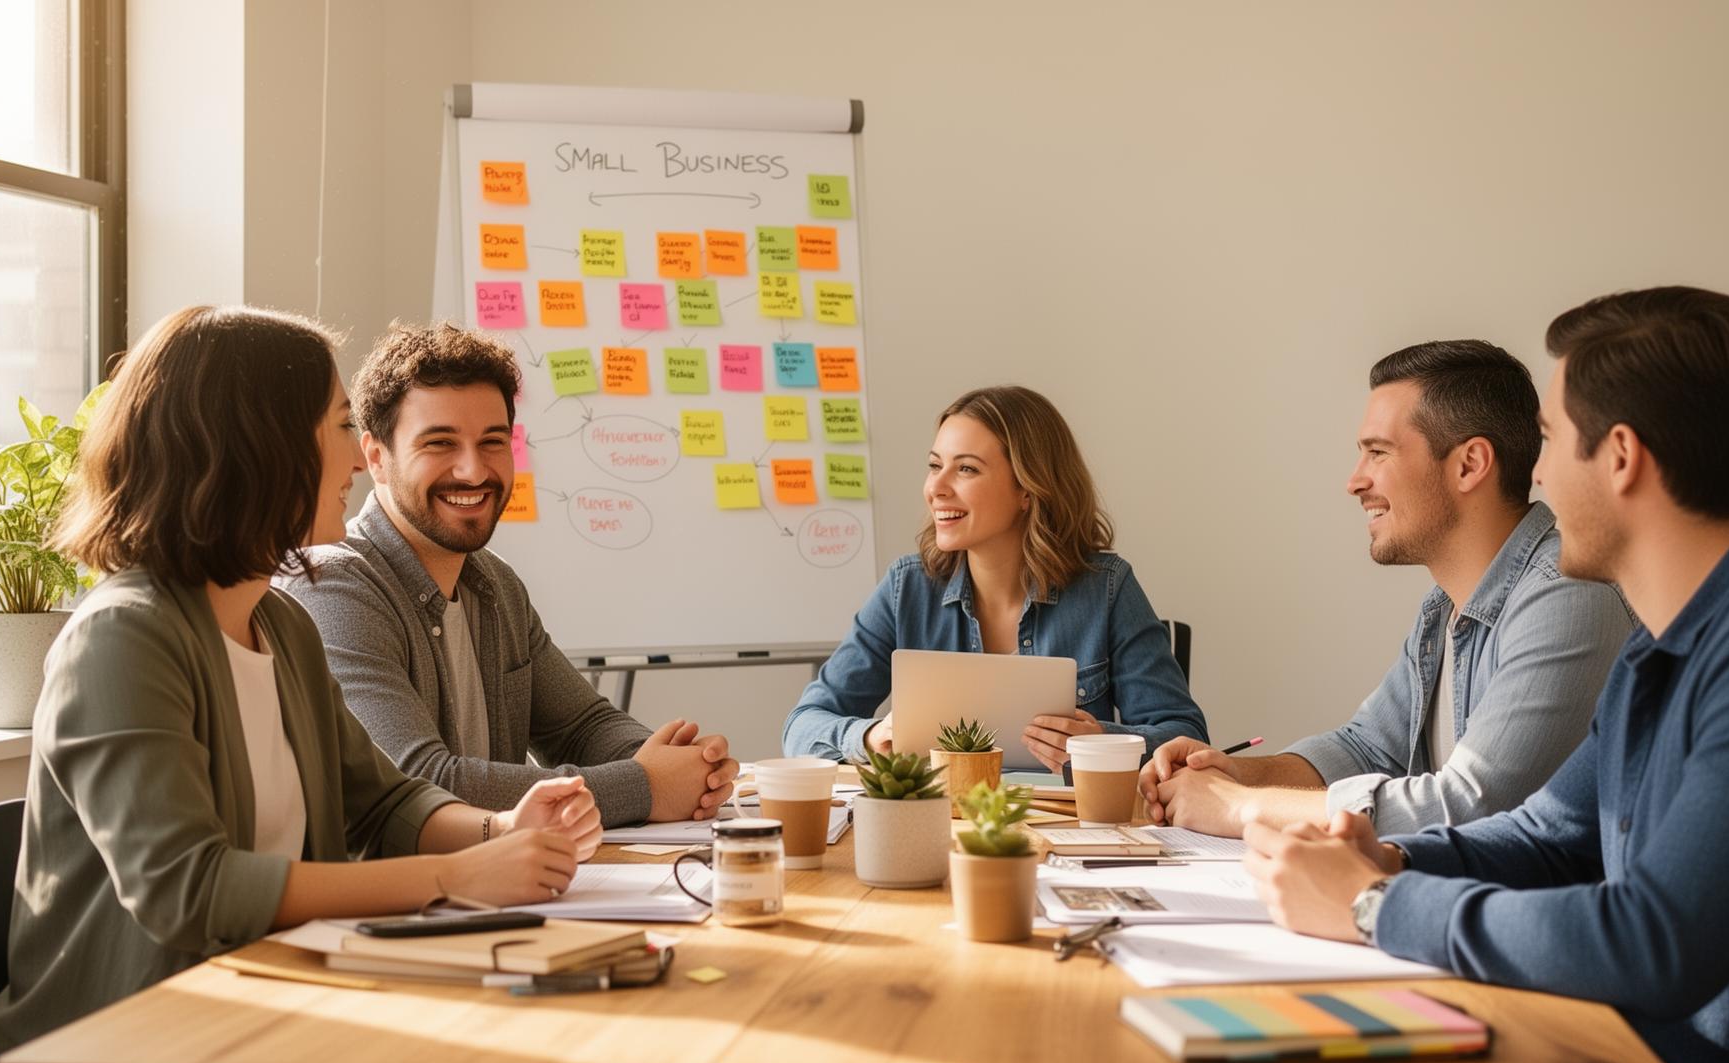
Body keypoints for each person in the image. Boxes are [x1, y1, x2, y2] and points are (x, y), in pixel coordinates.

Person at [1243, 287, 1729, 1063]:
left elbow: (1656, 941)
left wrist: (1374, 906)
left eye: (1546, 439)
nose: (1532, 471)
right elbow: (1550, 838)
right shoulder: (1660, 649)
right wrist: (1387, 860)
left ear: (1620, 456)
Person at [0, 306, 603, 1052]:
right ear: (260, 446)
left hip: (271, 1000)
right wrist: (459, 875)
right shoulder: (122, 638)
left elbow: (383, 805)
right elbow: (192, 890)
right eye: (342, 428)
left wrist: (502, 830)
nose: (357, 462)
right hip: (128, 1039)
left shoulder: (281, 626)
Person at [1141, 341, 1633, 836]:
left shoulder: (1568, 597)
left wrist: (1240, 807)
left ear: (1469, 464)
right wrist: (1232, 773)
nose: (1354, 482)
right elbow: (1367, 748)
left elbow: (1472, 805)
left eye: (1378, 453)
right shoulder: (1442, 609)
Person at [281, 323, 736, 825]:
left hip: (501, 885)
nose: (474, 471)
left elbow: (582, 726)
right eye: (440, 444)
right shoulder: (331, 584)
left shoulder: (495, 584)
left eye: (493, 442)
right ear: (376, 458)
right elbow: (421, 782)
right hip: (403, 898)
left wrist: (687, 767)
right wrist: (645, 786)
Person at [783, 385, 1205, 770]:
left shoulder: (1106, 588)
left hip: (1068, 834)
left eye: (965, 469)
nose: (937, 488)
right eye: (935, 466)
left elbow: (1186, 736)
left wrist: (1101, 743)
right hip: (939, 828)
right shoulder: (906, 588)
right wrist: (870, 737)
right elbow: (802, 727)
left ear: (1028, 488)